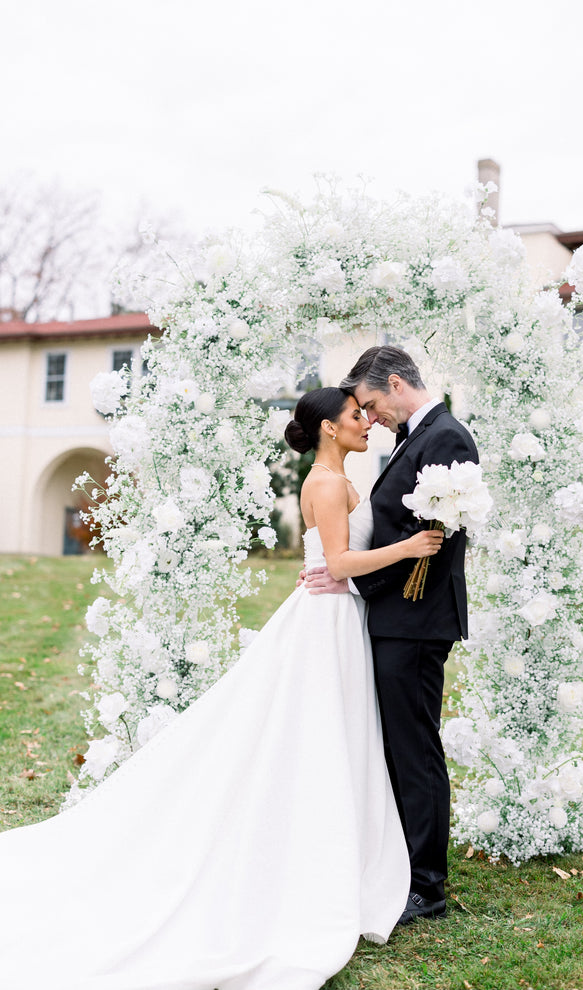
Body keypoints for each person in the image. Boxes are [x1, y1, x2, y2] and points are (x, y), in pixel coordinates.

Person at [0, 386, 444, 990]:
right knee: (319, 735)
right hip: (330, 621)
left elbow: (321, 560)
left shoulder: (330, 478)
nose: (365, 421)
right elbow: (338, 564)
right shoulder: (328, 483)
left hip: (335, 615)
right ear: (327, 430)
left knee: (326, 735)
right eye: (353, 416)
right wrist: (412, 547)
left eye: (364, 412)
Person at [305, 347, 479, 925]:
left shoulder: (445, 438)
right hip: (395, 616)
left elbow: (426, 540)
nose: (371, 416)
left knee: (414, 748)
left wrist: (350, 580)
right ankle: (401, 863)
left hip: (415, 620)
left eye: (374, 403)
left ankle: (426, 887)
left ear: (398, 383)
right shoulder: (415, 435)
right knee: (396, 746)